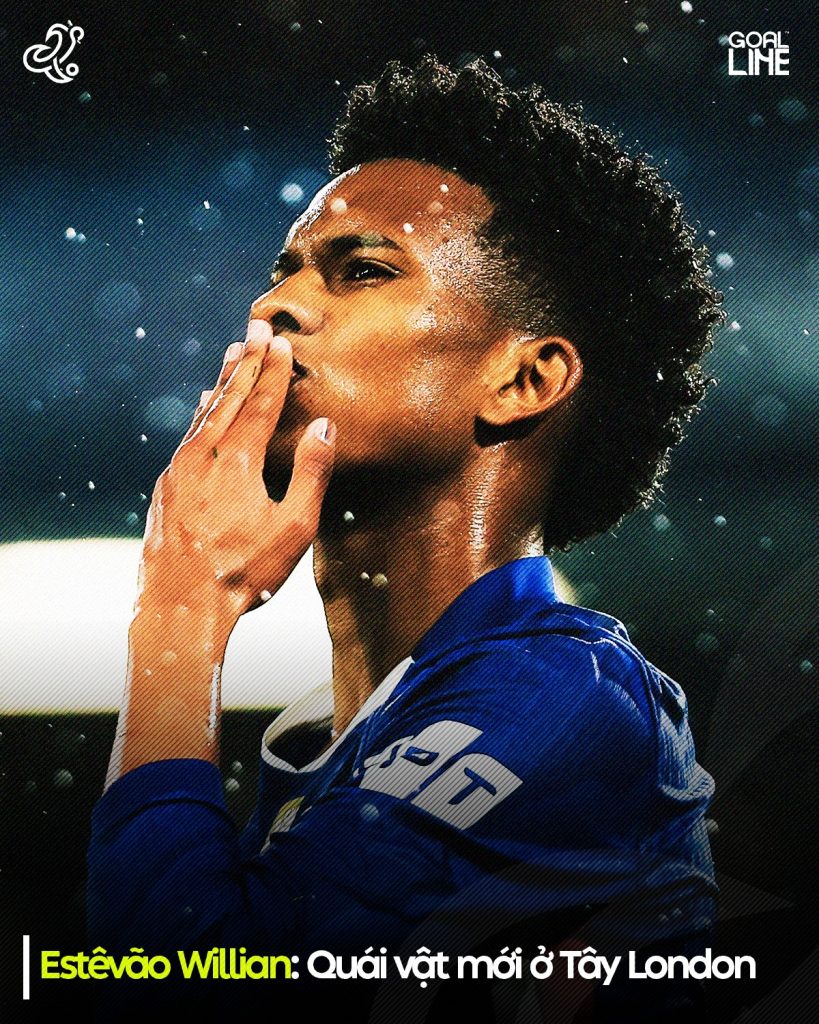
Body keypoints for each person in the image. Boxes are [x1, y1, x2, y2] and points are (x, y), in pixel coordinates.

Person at [86, 55, 724, 1021]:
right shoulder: (330, 738)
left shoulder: (567, 697)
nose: (273, 308)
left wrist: (178, 614)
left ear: (523, 380)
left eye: (364, 271)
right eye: (285, 272)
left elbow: (188, 990)